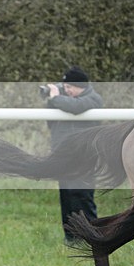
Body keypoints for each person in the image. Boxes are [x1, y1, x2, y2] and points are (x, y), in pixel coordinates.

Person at [42, 65, 103, 244]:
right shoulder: (63, 101)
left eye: (69, 87)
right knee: (67, 197)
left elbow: (76, 107)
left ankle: (91, 237)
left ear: (80, 86)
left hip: (84, 157)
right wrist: (53, 100)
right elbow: (51, 121)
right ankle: (71, 237)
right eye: (64, 87)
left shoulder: (93, 99)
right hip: (64, 156)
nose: (66, 90)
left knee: (82, 196)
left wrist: (55, 97)